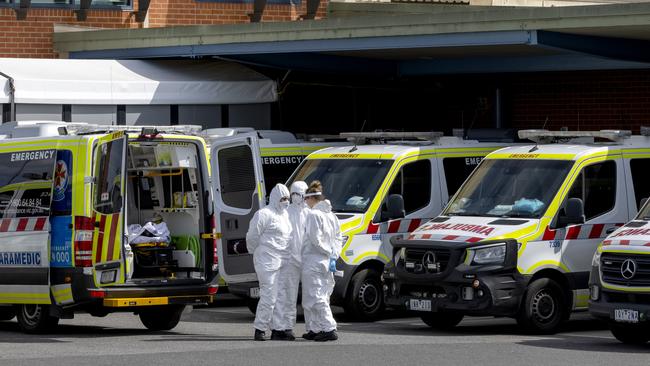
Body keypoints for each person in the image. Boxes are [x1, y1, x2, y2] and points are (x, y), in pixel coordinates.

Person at [246, 183, 292, 341]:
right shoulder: (264, 214)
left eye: (288, 198)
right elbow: (252, 236)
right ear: (275, 198)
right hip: (267, 261)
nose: (286, 201)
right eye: (283, 198)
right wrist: (256, 252)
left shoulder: (285, 215)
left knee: (281, 295)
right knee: (269, 295)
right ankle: (260, 328)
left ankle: (278, 329)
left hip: (283, 260)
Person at [301, 180, 343, 342]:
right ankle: (315, 328)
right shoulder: (331, 215)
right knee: (321, 295)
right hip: (327, 262)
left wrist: (327, 252)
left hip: (314, 261)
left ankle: (329, 328)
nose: (305, 202)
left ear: (312, 198)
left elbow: (315, 239)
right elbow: (338, 238)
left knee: (315, 296)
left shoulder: (313, 215)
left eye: (306, 199)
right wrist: (333, 255)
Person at [271, 181, 309, 341]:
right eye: (293, 193)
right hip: (289, 260)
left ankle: (314, 327)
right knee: (287, 295)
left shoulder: (310, 213)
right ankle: (285, 327)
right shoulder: (286, 212)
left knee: (310, 297)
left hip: (307, 259)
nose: (295, 197)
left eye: (299, 194)